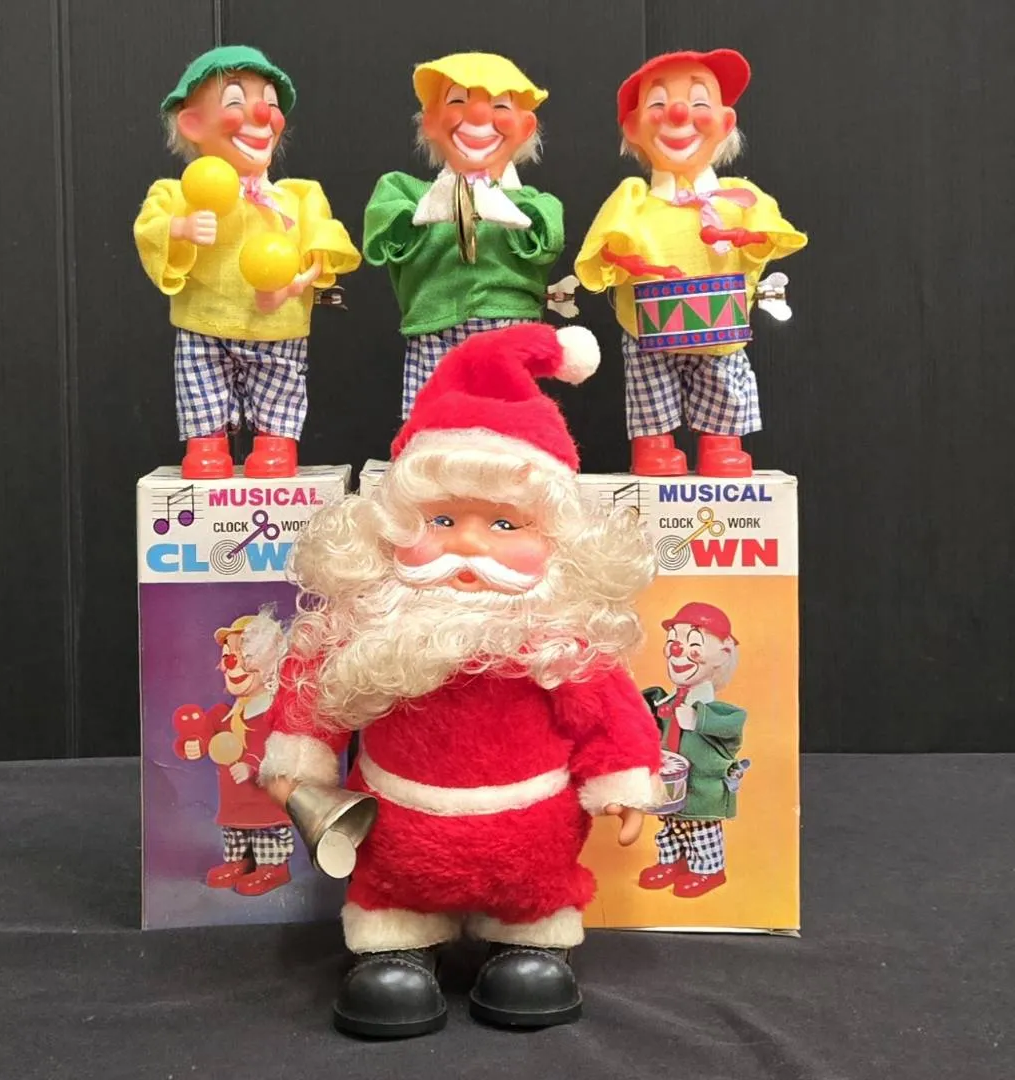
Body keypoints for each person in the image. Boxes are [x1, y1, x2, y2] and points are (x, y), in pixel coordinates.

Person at [260, 323, 663, 1037]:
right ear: (390, 529)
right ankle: (397, 947)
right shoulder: (367, 623)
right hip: (398, 838)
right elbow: (314, 698)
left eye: (505, 525)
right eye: (441, 520)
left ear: (556, 541)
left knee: (533, 930)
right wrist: (298, 765)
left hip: (531, 838)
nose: (469, 545)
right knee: (390, 923)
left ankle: (528, 945)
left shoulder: (561, 635)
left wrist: (624, 785)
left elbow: (608, 712)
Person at [575, 49, 806, 476]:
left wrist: (744, 236)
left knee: (723, 380)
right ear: (633, 127)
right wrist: (626, 261)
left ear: (725, 122)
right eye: (658, 104)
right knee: (650, 386)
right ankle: (653, 445)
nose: (678, 113)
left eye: (699, 102)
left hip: (720, 327)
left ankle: (721, 444)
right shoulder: (632, 200)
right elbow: (603, 253)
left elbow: (769, 240)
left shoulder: (742, 199)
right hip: (649, 328)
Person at [135, 45, 360, 478]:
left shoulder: (299, 198)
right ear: (192, 123)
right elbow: (149, 230)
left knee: (279, 388)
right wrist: (180, 227)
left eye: (270, 104)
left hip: (277, 327)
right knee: (201, 389)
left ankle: (276, 446)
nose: (261, 114)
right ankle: (206, 447)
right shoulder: (177, 194)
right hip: (204, 324)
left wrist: (294, 285)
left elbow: (320, 253)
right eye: (236, 101)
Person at [363, 52, 565, 419]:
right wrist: (426, 211)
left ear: (526, 127)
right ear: (429, 120)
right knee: (434, 423)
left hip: (509, 329)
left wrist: (512, 212)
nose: (478, 115)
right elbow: (385, 233)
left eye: (500, 104)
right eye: (457, 100)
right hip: (434, 330)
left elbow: (547, 241)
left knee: (508, 424)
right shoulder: (404, 193)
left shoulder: (537, 203)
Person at [171, 613, 293, 896]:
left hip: (266, 802)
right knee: (235, 833)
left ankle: (274, 868)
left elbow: (282, 751)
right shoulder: (224, 714)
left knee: (266, 834)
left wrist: (252, 766)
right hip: (234, 803)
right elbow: (200, 733)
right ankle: (240, 861)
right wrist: (191, 745)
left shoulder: (275, 715)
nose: (231, 665)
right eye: (228, 657)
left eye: (243, 656)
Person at [641, 602, 747, 898]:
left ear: (722, 654)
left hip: (703, 788)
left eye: (694, 644)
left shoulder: (717, 712)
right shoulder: (665, 702)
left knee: (701, 828)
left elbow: (733, 726)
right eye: (673, 641)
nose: (678, 650)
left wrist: (699, 719)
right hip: (671, 786)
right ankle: (672, 861)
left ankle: (709, 870)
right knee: (670, 825)